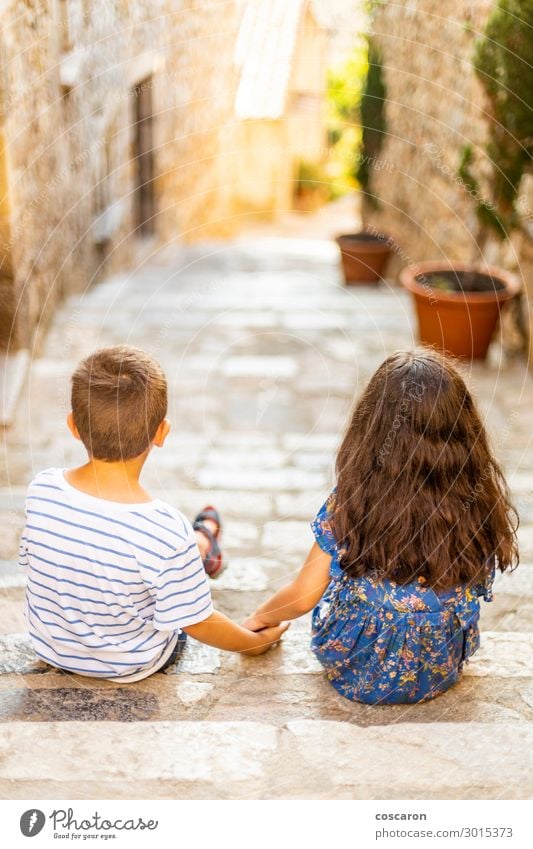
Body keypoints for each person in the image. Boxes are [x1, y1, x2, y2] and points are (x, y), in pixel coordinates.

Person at [244, 349, 518, 704]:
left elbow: (303, 595)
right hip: (437, 668)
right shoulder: (475, 495)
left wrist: (259, 618)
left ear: (371, 427)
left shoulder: (353, 500)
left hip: (357, 666)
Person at [19, 345, 288, 682]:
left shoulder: (42, 489)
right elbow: (198, 621)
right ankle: (204, 539)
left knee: (159, 551)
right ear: (162, 432)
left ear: (73, 426)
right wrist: (253, 643)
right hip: (135, 661)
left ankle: (202, 542)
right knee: (172, 549)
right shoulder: (163, 528)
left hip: (52, 649)